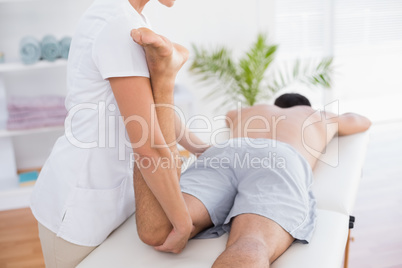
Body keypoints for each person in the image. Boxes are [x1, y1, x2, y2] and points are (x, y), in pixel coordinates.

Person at [131, 28, 372, 267]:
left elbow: (228, 117)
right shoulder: (318, 115)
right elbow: (362, 121)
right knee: (251, 243)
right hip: (279, 159)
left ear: (274, 104)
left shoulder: (247, 112)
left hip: (228, 151)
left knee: (159, 227)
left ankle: (163, 81)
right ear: (303, 105)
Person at [30, 0, 208, 267]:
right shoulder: (118, 25)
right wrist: (183, 223)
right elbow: (147, 143)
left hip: (111, 198)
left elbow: (149, 107)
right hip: (79, 206)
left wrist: (201, 149)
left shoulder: (133, 20)